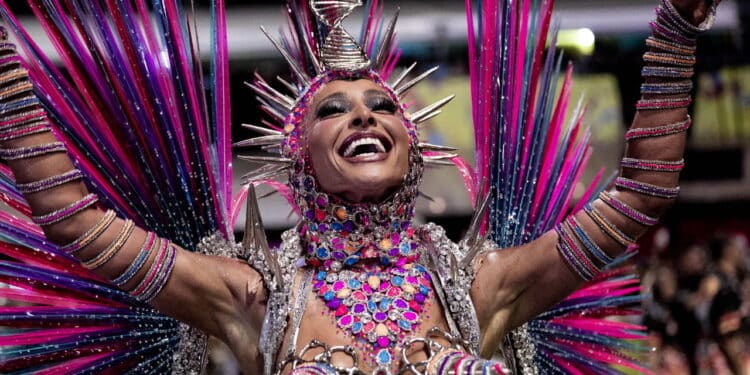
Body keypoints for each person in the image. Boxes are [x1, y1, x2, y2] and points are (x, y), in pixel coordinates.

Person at [0, 0, 719, 373]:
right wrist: (6, 76)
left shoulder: (478, 286)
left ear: (412, 149)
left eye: (382, 108)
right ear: (297, 152)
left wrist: (676, 30)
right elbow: (74, 220)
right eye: (333, 109)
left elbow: (638, 197)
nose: (365, 116)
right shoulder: (257, 296)